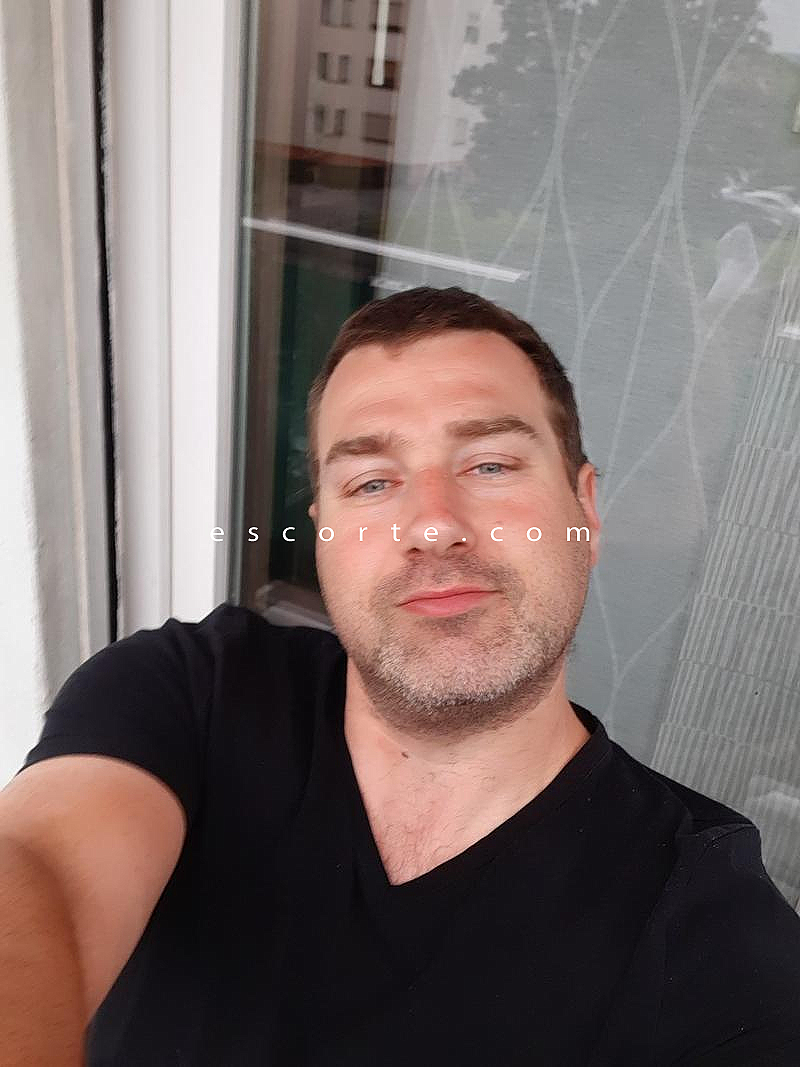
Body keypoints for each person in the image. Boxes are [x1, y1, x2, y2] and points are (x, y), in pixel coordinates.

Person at [1, 286, 798, 1066]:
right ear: (323, 535)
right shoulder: (194, 692)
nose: (433, 525)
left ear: (584, 513)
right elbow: (41, 873)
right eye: (372, 483)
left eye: (490, 464)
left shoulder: (709, 938)